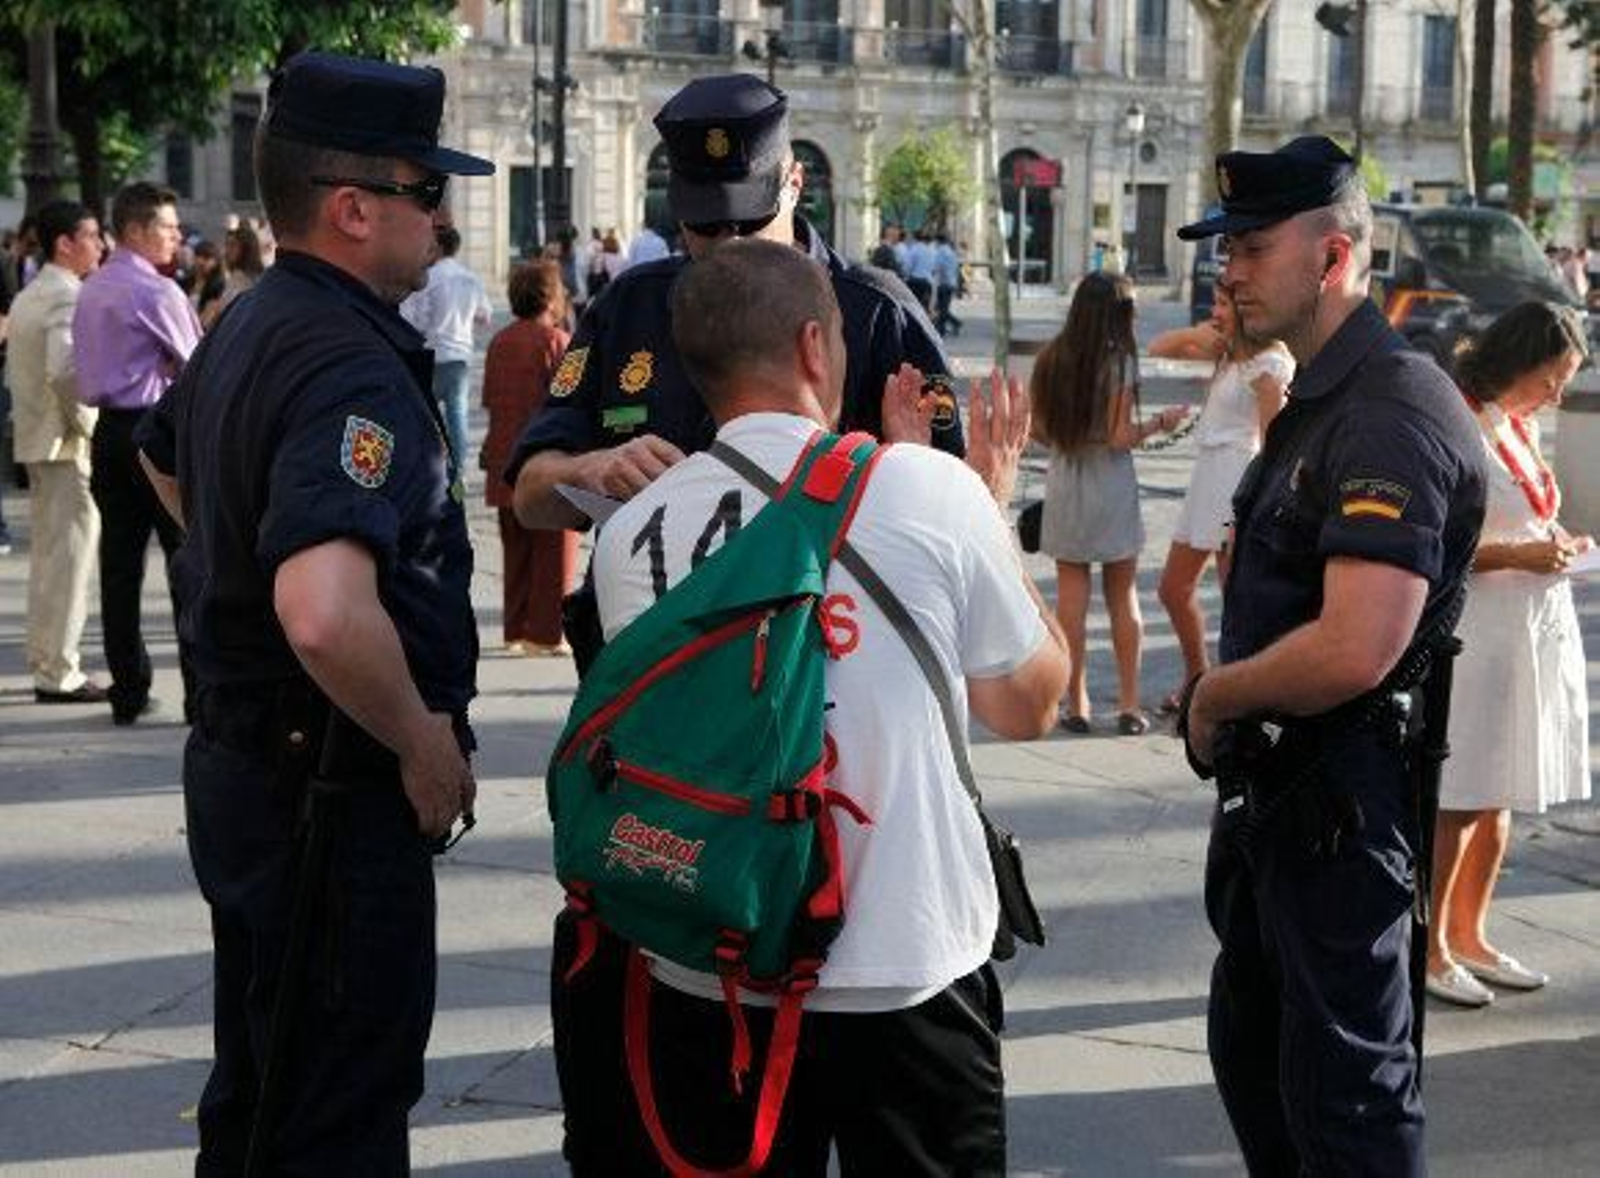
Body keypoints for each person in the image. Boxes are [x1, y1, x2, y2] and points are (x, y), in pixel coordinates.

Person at [506, 72, 972, 1173]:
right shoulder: (631, 306)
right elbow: (526, 491)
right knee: (663, 1117)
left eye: (741, 224)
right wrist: (588, 468)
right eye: (699, 227)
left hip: (830, 778)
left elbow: (953, 531)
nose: (717, 250)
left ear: (794, 185)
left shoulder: (871, 314)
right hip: (657, 766)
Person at [581, 235, 1068, 1173]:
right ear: (815, 346)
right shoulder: (927, 488)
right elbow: (1029, 703)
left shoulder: (629, 533)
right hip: (910, 962)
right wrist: (991, 511)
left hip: (712, 964)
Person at [134, 50, 489, 1173]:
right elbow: (325, 613)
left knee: (262, 1084)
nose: (440, 219)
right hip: (327, 793)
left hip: (250, 770)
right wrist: (421, 740)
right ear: (352, 208)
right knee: (336, 1106)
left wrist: (230, 558)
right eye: (424, 189)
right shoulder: (350, 363)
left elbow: (161, 456)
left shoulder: (252, 319)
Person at [1177, 136, 1487, 1175]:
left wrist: (1215, 694)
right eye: (1226, 247)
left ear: (1334, 256)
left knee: (1347, 1104)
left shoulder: (1389, 408)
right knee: (1261, 1062)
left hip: (1339, 812)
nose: (1228, 268)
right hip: (1284, 803)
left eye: (1252, 247)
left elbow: (1359, 644)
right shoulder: (1322, 395)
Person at [1426, 301, 1592, 1008]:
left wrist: (1557, 542)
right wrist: (1519, 554)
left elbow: (1523, 513)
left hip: (1526, 625)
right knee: (1462, 795)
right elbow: (1435, 543)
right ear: (1517, 361)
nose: (1556, 395)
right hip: (1481, 633)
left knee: (1500, 790)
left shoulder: (1512, 422)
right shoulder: (1459, 422)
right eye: (1551, 378)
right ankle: (1430, 946)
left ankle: (1471, 934)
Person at [1030, 270, 1188, 736]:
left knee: (1071, 600)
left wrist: (1070, 440)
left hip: (1066, 481)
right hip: (1111, 484)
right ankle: (1128, 704)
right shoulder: (1120, 364)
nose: (1135, 313)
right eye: (1130, 306)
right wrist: (1159, 423)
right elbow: (1120, 438)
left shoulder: (1050, 358)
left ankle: (1076, 702)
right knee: (1122, 595)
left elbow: (1038, 430)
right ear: (1116, 314)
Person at [72, 181, 201, 725]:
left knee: (119, 566)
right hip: (154, 429)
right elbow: (197, 366)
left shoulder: (92, 288)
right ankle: (199, 692)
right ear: (135, 230)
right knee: (186, 559)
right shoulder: (158, 291)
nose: (176, 237)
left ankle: (128, 689)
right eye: (167, 227)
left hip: (107, 431)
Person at [1151, 284, 1291, 711]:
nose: (1216, 311)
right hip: (1207, 476)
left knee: (1237, 597)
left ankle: (1237, 691)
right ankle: (1198, 676)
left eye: (1223, 303)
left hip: (1236, 478)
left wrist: (1256, 508)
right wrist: (1199, 332)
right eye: (1215, 302)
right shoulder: (1228, 353)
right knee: (1173, 588)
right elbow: (1158, 348)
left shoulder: (1269, 364)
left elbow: (1274, 446)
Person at [4, 200, 106, 703]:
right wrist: (89, 424)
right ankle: (59, 669)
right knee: (68, 563)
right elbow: (65, 371)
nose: (100, 246)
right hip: (66, 445)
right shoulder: (67, 295)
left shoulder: (32, 293)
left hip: (38, 439)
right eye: (92, 235)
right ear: (65, 243)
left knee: (51, 562)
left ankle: (48, 660)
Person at [481, 259, 577, 655]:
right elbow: (571, 402)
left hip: (503, 456)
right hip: (546, 460)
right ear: (551, 298)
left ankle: (515, 628)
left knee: (515, 549)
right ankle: (546, 632)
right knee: (554, 550)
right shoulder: (559, 342)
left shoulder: (499, 341)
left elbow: (489, 399)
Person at [401, 224, 492, 468]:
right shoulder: (471, 278)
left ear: (438, 247)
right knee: (458, 415)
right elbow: (485, 316)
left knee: (427, 416)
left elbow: (416, 319)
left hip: (433, 353)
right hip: (460, 356)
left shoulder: (429, 278)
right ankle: (458, 470)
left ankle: (430, 468)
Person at [933, 232, 963, 337]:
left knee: (942, 308)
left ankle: (944, 328)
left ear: (938, 241)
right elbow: (956, 268)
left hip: (943, 283)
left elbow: (939, 267)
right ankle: (948, 325)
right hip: (951, 283)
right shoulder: (951, 252)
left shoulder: (940, 252)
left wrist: (937, 279)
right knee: (942, 307)